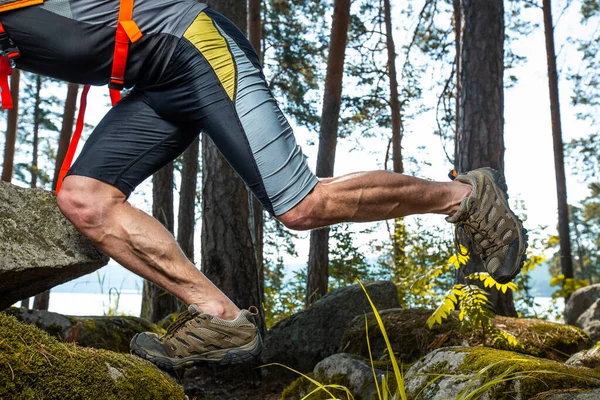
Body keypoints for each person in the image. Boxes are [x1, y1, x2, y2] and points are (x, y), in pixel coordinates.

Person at [1, 0, 527, 370]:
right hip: (154, 84)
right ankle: (219, 318)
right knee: (85, 199)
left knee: (302, 205)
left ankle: (463, 195)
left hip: (197, 47)